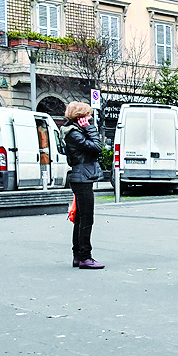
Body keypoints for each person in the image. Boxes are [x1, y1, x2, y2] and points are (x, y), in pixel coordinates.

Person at [62, 102, 105, 270]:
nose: (90, 118)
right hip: (82, 177)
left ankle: (78, 256)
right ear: (80, 116)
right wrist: (90, 129)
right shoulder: (73, 133)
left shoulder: (74, 131)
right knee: (86, 218)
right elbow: (97, 147)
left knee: (80, 218)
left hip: (82, 176)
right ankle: (85, 257)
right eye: (88, 115)